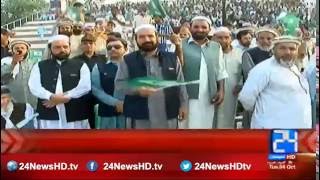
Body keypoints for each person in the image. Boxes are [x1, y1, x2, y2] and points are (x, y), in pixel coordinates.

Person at [114, 24, 188, 129]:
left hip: (168, 115)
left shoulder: (172, 59)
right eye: (142, 37)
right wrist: (137, 90)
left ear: (157, 37)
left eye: (150, 36)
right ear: (136, 39)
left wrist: (184, 105)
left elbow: (180, 85)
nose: (147, 39)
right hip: (139, 116)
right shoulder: (127, 60)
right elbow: (119, 84)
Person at [238, 36, 312, 129]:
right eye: (282, 48)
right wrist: (263, 113)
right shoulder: (263, 69)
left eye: (292, 49)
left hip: (295, 131)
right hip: (272, 130)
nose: (288, 52)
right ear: (274, 50)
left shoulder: (293, 68)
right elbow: (246, 98)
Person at [28, 35, 91, 129]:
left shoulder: (80, 65)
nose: (62, 49)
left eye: (65, 47)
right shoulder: (40, 66)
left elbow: (85, 86)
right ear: (50, 49)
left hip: (75, 112)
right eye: (57, 47)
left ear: (69, 47)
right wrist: (51, 96)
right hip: (48, 112)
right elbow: (34, 86)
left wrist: (66, 97)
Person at [182, 16, 228, 129]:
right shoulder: (181, 44)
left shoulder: (215, 47)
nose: (200, 30)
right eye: (196, 27)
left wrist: (221, 90)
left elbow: (221, 71)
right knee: (185, 126)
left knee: (205, 126)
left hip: (208, 95)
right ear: (190, 28)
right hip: (186, 95)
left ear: (209, 29)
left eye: (203, 27)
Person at [92, 37, 128, 129]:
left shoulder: (132, 66)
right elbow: (96, 90)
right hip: (106, 112)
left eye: (117, 47)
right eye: (109, 48)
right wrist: (116, 103)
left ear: (126, 49)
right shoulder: (99, 67)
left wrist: (126, 104)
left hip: (128, 112)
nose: (112, 49)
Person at [213, 27, 243, 128]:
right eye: (220, 38)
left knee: (228, 120)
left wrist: (241, 84)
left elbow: (245, 73)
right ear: (214, 38)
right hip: (212, 92)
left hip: (232, 92)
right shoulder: (209, 52)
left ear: (231, 38)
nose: (223, 40)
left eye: (226, 37)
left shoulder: (240, 53)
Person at [1, 40, 37, 107]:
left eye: (22, 48)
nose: (20, 50)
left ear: (27, 51)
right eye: (17, 48)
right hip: (13, 100)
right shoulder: (5, 61)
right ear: (12, 51)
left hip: (32, 100)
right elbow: (3, 77)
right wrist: (13, 63)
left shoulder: (33, 64)